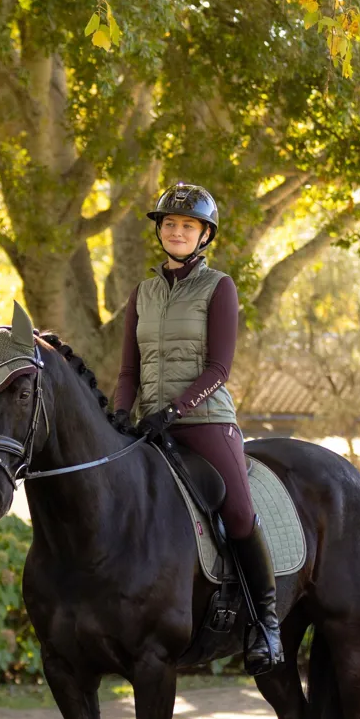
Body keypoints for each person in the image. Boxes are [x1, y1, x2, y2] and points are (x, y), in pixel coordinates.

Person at [112, 182, 284, 675]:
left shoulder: (219, 288)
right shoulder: (142, 293)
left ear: (204, 234)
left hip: (206, 422)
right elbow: (127, 371)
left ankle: (265, 624)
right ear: (160, 231)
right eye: (170, 224)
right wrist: (122, 415)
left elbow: (219, 367)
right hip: (148, 425)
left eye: (187, 225)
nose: (177, 231)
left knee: (238, 509)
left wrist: (175, 409)